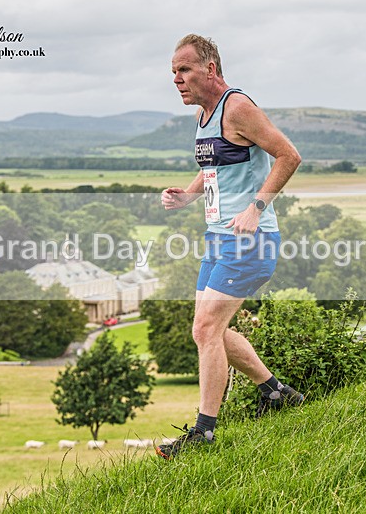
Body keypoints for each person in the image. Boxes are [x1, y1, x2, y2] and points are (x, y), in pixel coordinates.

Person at [156, 34, 304, 460]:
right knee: (208, 330)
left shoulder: (237, 107)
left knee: (205, 329)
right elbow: (214, 169)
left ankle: (203, 435)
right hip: (219, 239)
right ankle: (276, 394)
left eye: (184, 70)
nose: (177, 79)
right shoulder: (204, 115)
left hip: (250, 241)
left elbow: (289, 156)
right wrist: (186, 195)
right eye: (173, 73)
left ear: (211, 69)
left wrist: (257, 207)